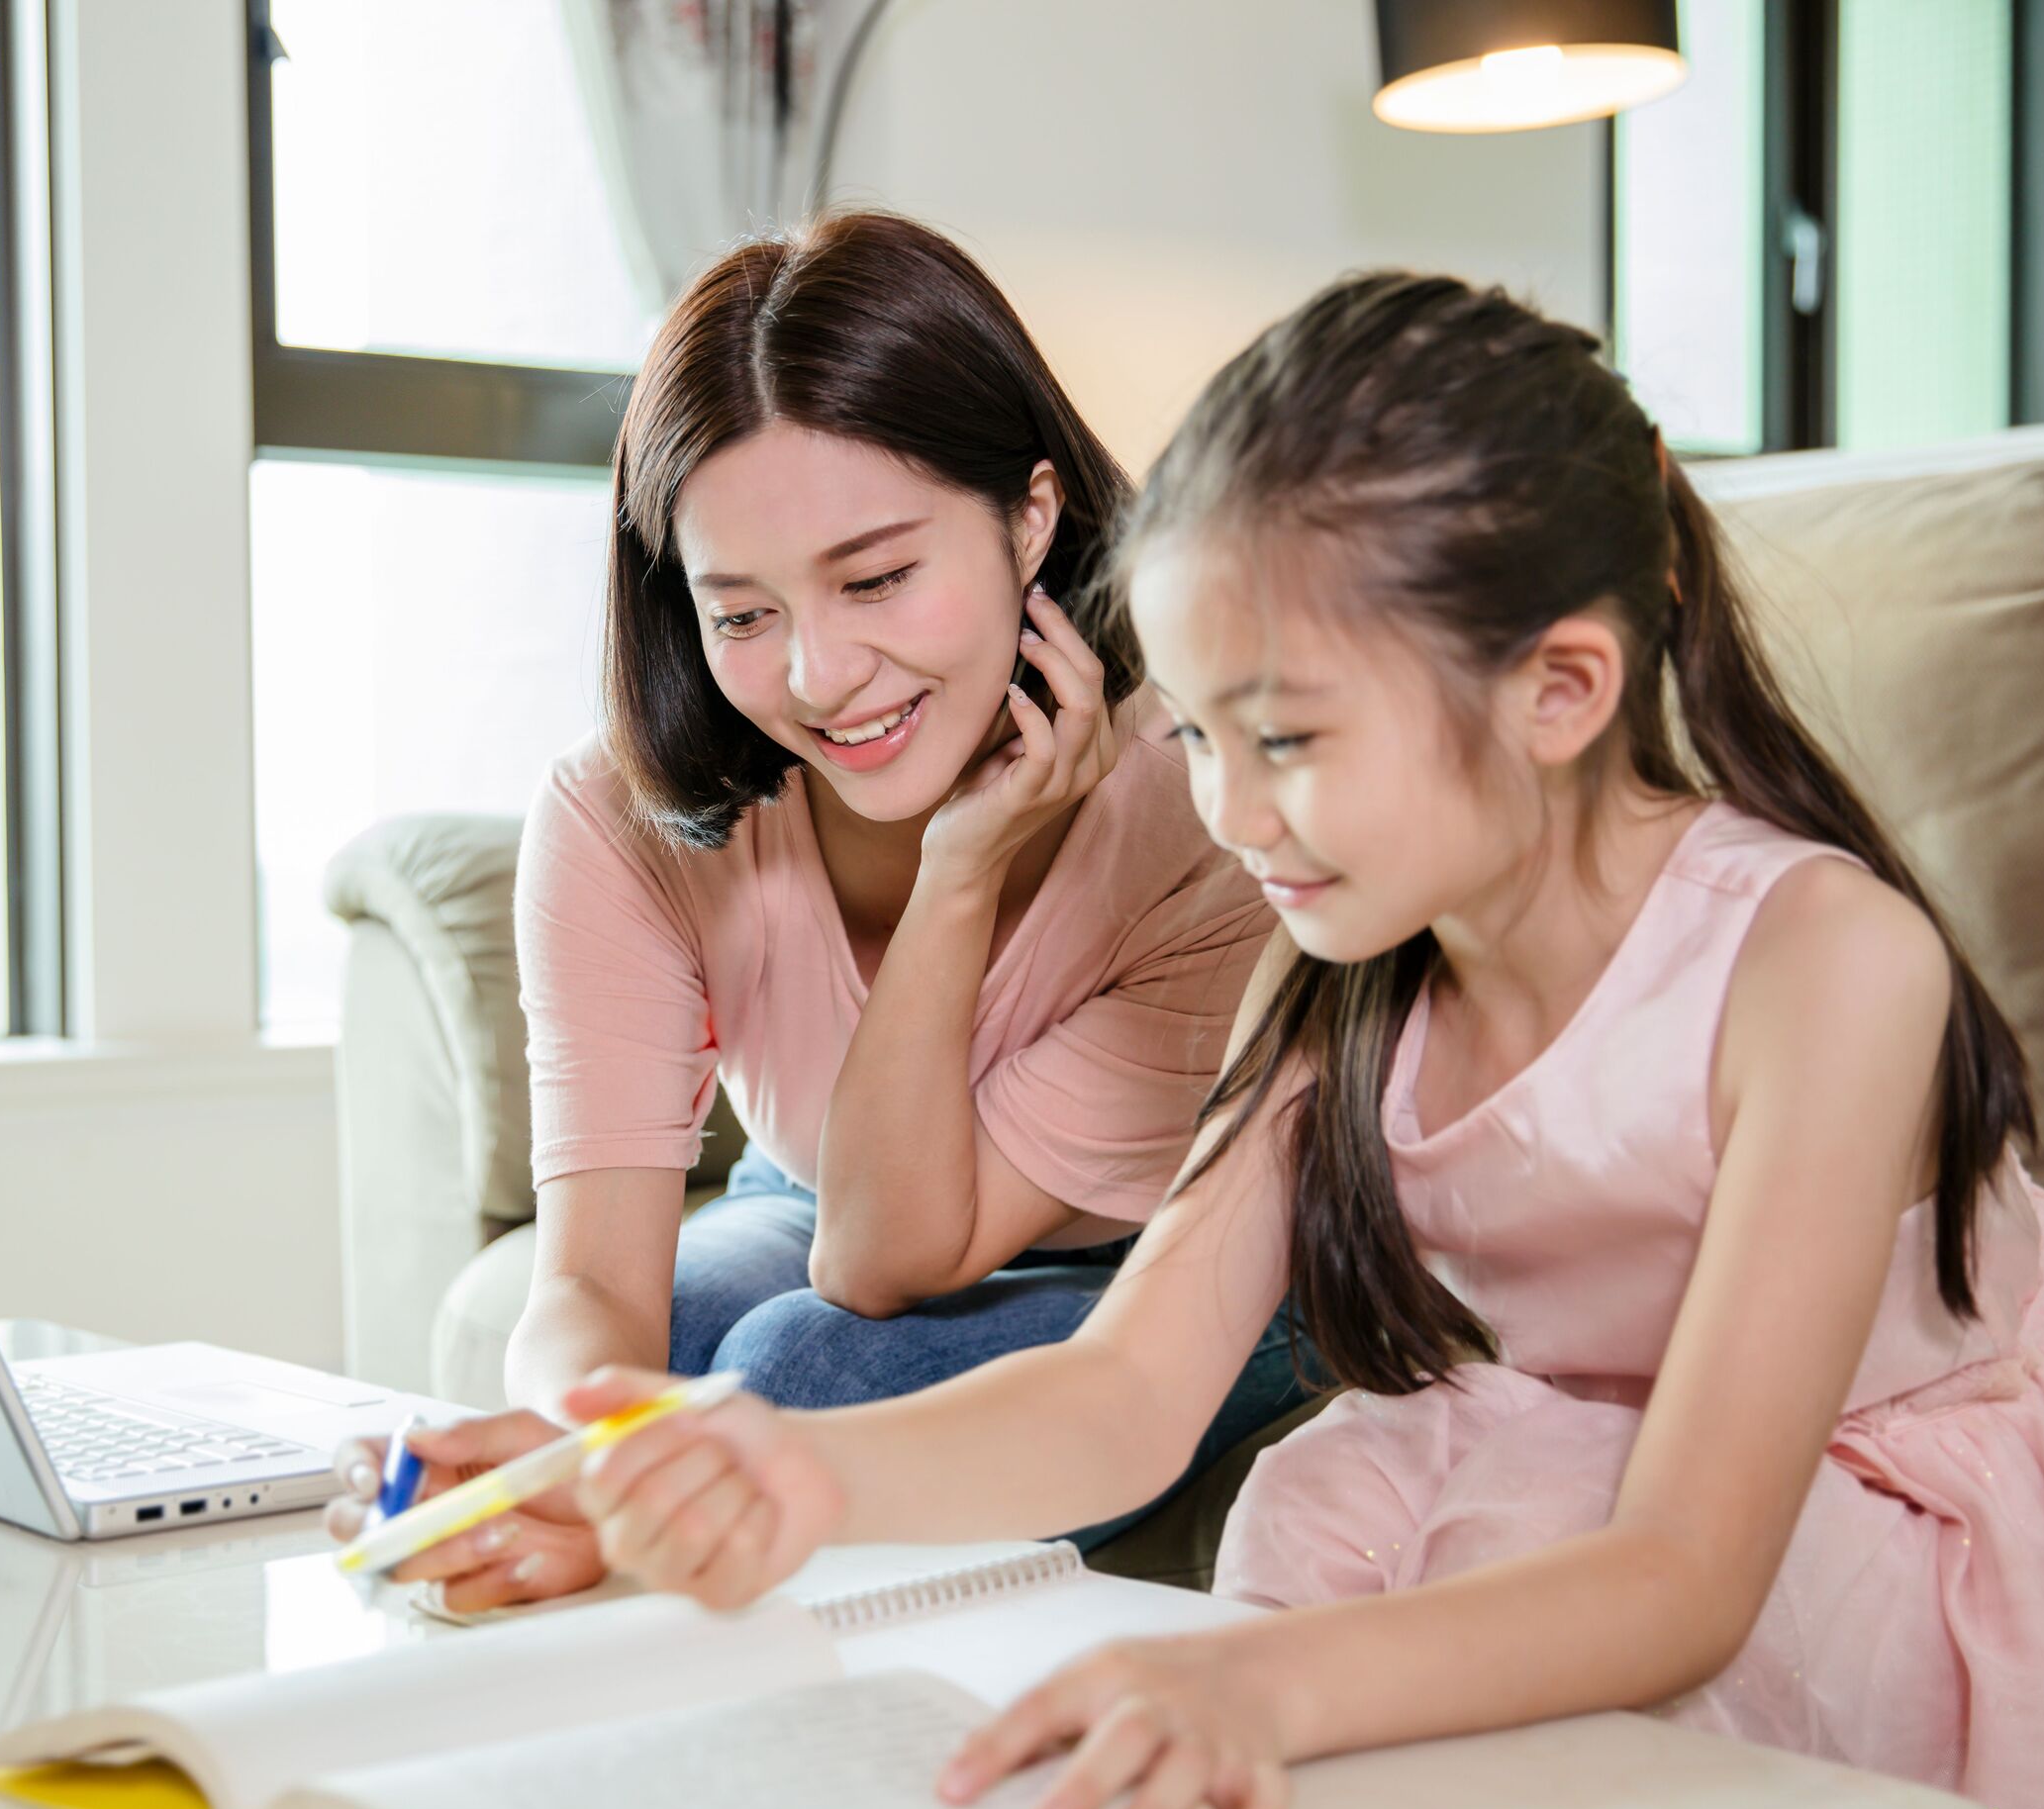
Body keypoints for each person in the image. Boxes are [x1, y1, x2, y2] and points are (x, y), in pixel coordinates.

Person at [562, 273, 2044, 1809]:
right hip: (1572, 1463)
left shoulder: (1828, 964)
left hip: (1867, 1503)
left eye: (1288, 740)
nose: (1231, 818)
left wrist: (1242, 1676)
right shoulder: (1343, 971)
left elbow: (1689, 1572)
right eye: (1195, 738)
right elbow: (1124, 1396)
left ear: (1558, 690)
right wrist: (783, 1463)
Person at [326, 212, 1313, 1611]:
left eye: (877, 578)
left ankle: (643, 1558)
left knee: (798, 1372)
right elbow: (591, 1291)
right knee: (645, 1352)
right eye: (741, 613)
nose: (820, 673)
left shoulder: (1200, 807)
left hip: (1172, 1250)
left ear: (1030, 519)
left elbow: (880, 1263)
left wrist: (964, 870)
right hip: (817, 1188)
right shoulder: (618, 821)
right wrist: (554, 1444)